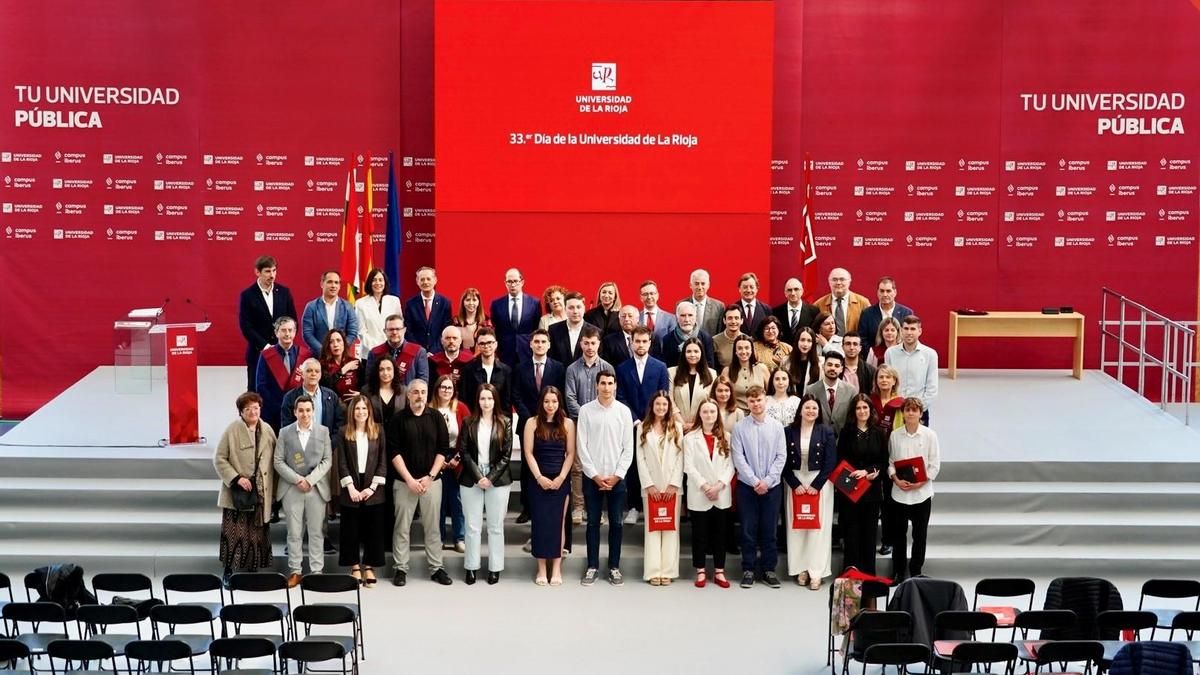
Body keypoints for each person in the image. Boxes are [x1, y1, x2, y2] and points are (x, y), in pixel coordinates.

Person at [386, 379, 453, 586]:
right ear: (408, 395)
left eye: (423, 392)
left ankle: (436, 568)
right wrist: (409, 479)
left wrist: (430, 476)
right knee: (402, 527)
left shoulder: (436, 418)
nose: (419, 396)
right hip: (404, 483)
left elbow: (443, 450)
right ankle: (400, 568)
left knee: (433, 527)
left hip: (431, 481)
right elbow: (394, 452)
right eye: (415, 392)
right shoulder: (398, 420)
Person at [576, 371, 634, 587]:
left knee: (617, 523)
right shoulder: (586, 411)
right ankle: (592, 566)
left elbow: (628, 448)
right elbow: (582, 446)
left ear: (616, 386)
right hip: (593, 478)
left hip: (617, 478)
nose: (607, 387)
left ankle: (614, 566)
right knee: (592, 523)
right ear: (596, 385)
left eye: (610, 383)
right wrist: (595, 475)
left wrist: (618, 475)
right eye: (603, 383)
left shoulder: (624, 412)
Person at [214, 392, 277, 586]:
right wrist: (236, 478)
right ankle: (229, 570)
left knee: (256, 533)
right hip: (238, 492)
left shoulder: (267, 430)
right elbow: (219, 458)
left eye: (256, 408)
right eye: (248, 409)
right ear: (241, 412)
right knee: (234, 533)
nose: (253, 412)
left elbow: (276, 460)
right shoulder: (232, 430)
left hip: (260, 492)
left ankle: (253, 569)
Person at [274, 395, 333, 587]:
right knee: (294, 533)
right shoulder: (284, 432)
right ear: (295, 412)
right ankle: (295, 571)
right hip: (292, 488)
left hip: (316, 488)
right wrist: (298, 479)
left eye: (308, 410)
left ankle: (316, 571)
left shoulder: (323, 432)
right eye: (301, 410)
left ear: (313, 411)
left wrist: (310, 480)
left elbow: (327, 461)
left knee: (316, 532)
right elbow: (278, 461)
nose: (305, 414)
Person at [458, 384, 514, 585]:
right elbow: (463, 451)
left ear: (495, 400)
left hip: (497, 479)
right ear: (478, 401)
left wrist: (490, 477)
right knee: (472, 526)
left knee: (495, 526)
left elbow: (506, 454)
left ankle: (495, 568)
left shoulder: (505, 422)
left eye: (490, 398)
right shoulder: (469, 422)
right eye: (482, 398)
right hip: (471, 477)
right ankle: (471, 567)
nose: (486, 402)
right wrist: (478, 476)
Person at [731, 386, 786, 588]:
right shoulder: (739, 428)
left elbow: (781, 457)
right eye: (752, 401)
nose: (756, 404)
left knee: (769, 529)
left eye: (759, 400)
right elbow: (738, 458)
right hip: (748, 487)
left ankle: (769, 570)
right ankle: (748, 569)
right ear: (748, 403)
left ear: (766, 401)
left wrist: (768, 481)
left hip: (772, 487)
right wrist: (755, 481)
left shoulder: (777, 427)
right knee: (748, 529)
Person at [615, 326, 670, 524]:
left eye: (644, 341)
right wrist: (636, 420)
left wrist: (651, 419)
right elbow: (620, 397)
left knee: (654, 464)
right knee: (633, 467)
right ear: (631, 343)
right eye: (636, 341)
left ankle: (650, 505)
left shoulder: (660, 367)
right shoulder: (621, 368)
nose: (640, 345)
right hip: (631, 424)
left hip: (655, 423)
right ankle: (633, 507)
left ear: (650, 342)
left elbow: (663, 395)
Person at [523, 386, 576, 586]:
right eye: (547, 401)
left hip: (560, 480)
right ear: (541, 403)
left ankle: (556, 568)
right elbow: (528, 452)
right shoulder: (532, 423)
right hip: (538, 480)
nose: (550, 405)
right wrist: (539, 477)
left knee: (558, 525)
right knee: (540, 524)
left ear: (559, 402)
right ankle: (541, 568)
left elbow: (571, 453)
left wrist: (562, 477)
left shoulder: (569, 424)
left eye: (554, 401)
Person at [783, 395, 837, 590]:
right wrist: (794, 482)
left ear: (819, 411)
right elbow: (783, 460)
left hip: (819, 483)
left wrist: (817, 484)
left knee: (818, 529)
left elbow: (831, 461)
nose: (811, 411)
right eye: (807, 408)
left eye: (814, 408)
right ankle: (801, 569)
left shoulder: (826, 431)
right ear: (800, 410)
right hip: (795, 482)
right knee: (797, 527)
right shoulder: (788, 431)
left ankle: (817, 571)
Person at [334, 394, 387, 586]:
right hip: (352, 487)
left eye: (364, 408)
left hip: (373, 486)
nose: (361, 412)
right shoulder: (343, 432)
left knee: (374, 528)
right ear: (352, 412)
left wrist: (372, 488)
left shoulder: (379, 431)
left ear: (369, 411)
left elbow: (382, 462)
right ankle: (355, 566)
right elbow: (341, 463)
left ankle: (370, 566)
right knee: (351, 529)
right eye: (357, 408)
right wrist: (351, 488)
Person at [512, 329, 565, 523]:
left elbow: (559, 396)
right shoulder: (520, 368)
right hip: (527, 424)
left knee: (549, 463)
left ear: (549, 345)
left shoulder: (558, 368)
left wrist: (546, 417)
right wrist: (532, 420)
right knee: (528, 468)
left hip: (552, 425)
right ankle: (527, 508)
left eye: (543, 341)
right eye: (537, 341)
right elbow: (516, 395)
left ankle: (550, 501)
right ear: (531, 344)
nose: (540, 344)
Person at [563, 326, 614, 525]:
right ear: (581, 344)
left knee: (599, 464)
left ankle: (596, 510)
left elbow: (610, 396)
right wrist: (587, 416)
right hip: (577, 424)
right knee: (577, 466)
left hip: (603, 424)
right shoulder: (572, 369)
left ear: (599, 344)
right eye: (586, 343)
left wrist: (597, 416)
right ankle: (578, 507)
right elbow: (569, 398)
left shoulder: (608, 368)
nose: (590, 347)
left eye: (593, 343)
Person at [683, 399, 735, 588]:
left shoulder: (727, 437)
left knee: (720, 533)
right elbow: (688, 465)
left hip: (721, 492)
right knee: (700, 533)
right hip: (700, 492)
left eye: (713, 412)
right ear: (700, 414)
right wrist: (705, 486)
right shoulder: (690, 438)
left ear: (717, 414)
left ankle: (719, 571)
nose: (709, 415)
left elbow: (731, 465)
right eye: (705, 412)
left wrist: (719, 485)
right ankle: (701, 570)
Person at [888, 397, 941, 583]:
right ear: (903, 413)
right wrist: (895, 478)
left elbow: (934, 465)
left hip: (922, 494)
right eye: (907, 410)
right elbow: (891, 463)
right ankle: (899, 571)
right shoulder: (895, 435)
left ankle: (916, 570)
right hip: (899, 493)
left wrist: (921, 483)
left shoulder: (930, 436)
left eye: (914, 410)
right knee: (898, 535)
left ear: (920, 413)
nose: (910, 413)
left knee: (920, 535)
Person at [633, 392, 684, 585]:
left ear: (669, 407)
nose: (661, 408)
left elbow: (681, 457)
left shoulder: (677, 427)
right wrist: (649, 485)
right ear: (652, 406)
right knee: (652, 529)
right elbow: (640, 458)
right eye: (658, 404)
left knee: (671, 529)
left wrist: (674, 483)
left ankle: (668, 571)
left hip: (672, 487)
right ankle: (654, 571)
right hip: (652, 487)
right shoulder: (642, 428)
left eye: (665, 404)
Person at [837, 393, 887, 575]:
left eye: (865, 407)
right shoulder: (846, 432)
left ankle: (868, 577)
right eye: (858, 408)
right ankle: (851, 577)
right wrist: (852, 473)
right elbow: (839, 458)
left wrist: (868, 472)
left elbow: (883, 461)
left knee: (869, 535)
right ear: (853, 411)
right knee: (852, 535)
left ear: (870, 410)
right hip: (850, 491)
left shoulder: (879, 432)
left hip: (871, 492)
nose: (862, 411)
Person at [238, 255, 297, 390]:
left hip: (283, 352)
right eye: (267, 271)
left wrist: (285, 342)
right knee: (256, 392)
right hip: (258, 353)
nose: (272, 275)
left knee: (283, 391)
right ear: (257, 272)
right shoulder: (247, 295)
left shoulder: (284, 292)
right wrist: (266, 347)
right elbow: (246, 326)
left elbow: (293, 320)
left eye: (274, 270)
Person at [429, 375, 470, 555]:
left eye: (450, 388)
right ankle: (437, 538)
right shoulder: (429, 409)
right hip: (434, 458)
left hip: (456, 458)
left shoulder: (461, 408)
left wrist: (457, 458)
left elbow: (469, 437)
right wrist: (439, 461)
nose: (446, 391)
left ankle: (459, 538)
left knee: (457, 501)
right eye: (443, 387)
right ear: (437, 389)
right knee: (437, 501)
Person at [871, 364, 904, 558]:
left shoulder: (901, 403)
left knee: (890, 504)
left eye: (887, 377)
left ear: (894, 381)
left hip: (893, 456)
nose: (883, 380)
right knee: (874, 500)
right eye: (880, 377)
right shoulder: (870, 400)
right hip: (873, 456)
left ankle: (888, 540)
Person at [255, 317, 310, 432]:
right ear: (276, 333)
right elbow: (261, 386)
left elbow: (310, 382)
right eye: (283, 330)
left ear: (295, 332)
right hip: (273, 412)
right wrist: (279, 406)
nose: (287, 334)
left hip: (299, 410)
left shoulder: (305, 355)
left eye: (290, 330)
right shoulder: (266, 355)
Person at [885, 315, 938, 425]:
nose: (909, 332)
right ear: (901, 330)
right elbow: (888, 383)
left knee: (919, 441)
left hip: (918, 410)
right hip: (895, 409)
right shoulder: (890, 353)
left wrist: (918, 408)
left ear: (920, 331)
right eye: (906, 328)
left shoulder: (930, 354)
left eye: (913, 329)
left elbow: (932, 387)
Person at [491, 268, 541, 367]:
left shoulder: (534, 303)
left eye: (515, 281)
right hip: (505, 352)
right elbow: (496, 327)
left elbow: (536, 328)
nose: (513, 285)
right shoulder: (496, 304)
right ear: (505, 283)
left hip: (527, 351)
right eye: (509, 281)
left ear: (522, 282)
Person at [301, 270, 360, 354]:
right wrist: (323, 351)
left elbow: (353, 332)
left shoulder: (348, 307)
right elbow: (307, 334)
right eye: (330, 282)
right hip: (318, 356)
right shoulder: (311, 307)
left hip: (341, 357)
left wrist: (340, 349)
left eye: (336, 282)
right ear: (322, 284)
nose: (333, 285)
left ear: (339, 286)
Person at [459, 327, 513, 414]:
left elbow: (507, 402)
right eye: (482, 343)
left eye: (489, 342)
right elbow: (464, 399)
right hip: (475, 419)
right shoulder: (468, 370)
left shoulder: (506, 371)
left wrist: (505, 425)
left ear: (496, 344)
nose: (486, 346)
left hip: (499, 420)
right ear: (478, 346)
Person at [281, 358, 344, 433]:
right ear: (302, 374)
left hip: (325, 443)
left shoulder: (331, 396)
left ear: (320, 375)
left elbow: (339, 424)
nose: (313, 374)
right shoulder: (290, 397)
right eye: (309, 371)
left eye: (317, 371)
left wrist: (330, 442)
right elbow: (286, 426)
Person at [668, 337, 718, 432]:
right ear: (684, 353)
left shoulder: (712, 374)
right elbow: (670, 400)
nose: (692, 355)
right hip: (676, 426)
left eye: (696, 351)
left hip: (701, 427)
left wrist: (695, 425)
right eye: (689, 351)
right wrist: (682, 424)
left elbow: (711, 402)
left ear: (701, 353)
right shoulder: (672, 372)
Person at [402, 266, 453, 354]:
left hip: (439, 353)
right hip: (417, 354)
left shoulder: (445, 303)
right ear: (417, 282)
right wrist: (421, 351)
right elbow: (408, 331)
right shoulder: (410, 304)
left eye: (428, 279)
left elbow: (446, 330)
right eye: (422, 279)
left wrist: (434, 350)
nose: (425, 282)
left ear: (435, 280)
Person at [366, 314, 429, 385]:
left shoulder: (419, 352)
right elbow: (370, 382)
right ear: (385, 331)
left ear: (404, 330)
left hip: (408, 395)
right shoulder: (374, 353)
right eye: (391, 329)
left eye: (398, 329)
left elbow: (422, 383)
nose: (394, 332)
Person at [805, 350, 854, 433]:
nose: (833, 368)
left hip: (844, 441)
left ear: (841, 369)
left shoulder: (851, 391)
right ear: (823, 366)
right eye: (829, 365)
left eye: (837, 366)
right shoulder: (811, 390)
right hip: (819, 440)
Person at [857, 276, 913, 348]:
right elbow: (862, 339)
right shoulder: (867, 313)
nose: (885, 294)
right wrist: (873, 354)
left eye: (888, 291)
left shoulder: (906, 313)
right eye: (882, 291)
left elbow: (910, 337)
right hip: (874, 357)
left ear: (895, 292)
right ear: (878, 292)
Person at [355, 268, 402, 353]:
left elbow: (399, 327)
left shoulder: (394, 301)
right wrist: (378, 348)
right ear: (370, 283)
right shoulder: (360, 303)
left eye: (381, 280)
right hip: (370, 352)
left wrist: (390, 346)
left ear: (385, 282)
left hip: (392, 350)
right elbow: (361, 331)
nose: (378, 283)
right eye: (374, 280)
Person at [720, 335, 771, 413]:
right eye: (740, 348)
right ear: (735, 351)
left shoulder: (762, 368)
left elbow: (771, 393)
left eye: (747, 348)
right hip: (736, 414)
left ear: (751, 350)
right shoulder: (727, 371)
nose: (744, 352)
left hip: (759, 413)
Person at [815, 267, 871, 338]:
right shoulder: (818, 305)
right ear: (829, 282)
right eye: (834, 279)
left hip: (854, 347)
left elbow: (869, 330)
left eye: (842, 279)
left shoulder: (863, 303)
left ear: (849, 281)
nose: (838, 283)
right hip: (827, 347)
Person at [660, 301, 716, 369]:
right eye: (683, 315)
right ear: (677, 318)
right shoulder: (667, 339)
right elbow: (667, 367)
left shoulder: (705, 338)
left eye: (690, 315)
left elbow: (710, 366)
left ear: (695, 317)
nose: (687, 319)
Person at [547, 293, 595, 372]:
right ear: (565, 309)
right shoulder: (553, 330)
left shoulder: (596, 332)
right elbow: (550, 358)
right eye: (571, 308)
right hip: (560, 378)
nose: (575, 311)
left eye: (578, 307)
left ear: (584, 308)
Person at [772, 277, 819, 346]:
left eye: (796, 289)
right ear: (785, 292)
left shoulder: (814, 311)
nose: (793, 293)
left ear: (802, 291)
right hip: (783, 353)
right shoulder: (776, 312)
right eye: (789, 290)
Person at [679, 268, 726, 337]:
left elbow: (720, 332)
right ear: (690, 285)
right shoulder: (681, 305)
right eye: (696, 284)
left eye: (703, 284)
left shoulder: (719, 307)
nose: (700, 287)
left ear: (708, 285)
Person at [319, 329, 361, 402]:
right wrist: (344, 369)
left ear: (344, 343)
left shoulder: (355, 362)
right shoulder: (323, 365)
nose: (335, 344)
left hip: (354, 404)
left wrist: (361, 394)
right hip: (333, 404)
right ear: (328, 346)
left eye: (338, 340)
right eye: (331, 342)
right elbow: (326, 385)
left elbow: (364, 384)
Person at [363, 356, 405, 427]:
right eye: (381, 369)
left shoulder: (404, 391)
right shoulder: (366, 391)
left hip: (398, 435)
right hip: (374, 434)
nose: (385, 373)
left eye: (389, 369)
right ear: (377, 372)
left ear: (394, 371)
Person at [784, 326, 823, 393]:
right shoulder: (786, 361)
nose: (805, 344)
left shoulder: (821, 362)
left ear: (813, 344)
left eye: (809, 341)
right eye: (802, 340)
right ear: (797, 341)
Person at [453, 287, 491, 351]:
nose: (471, 303)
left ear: (479, 302)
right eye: (468, 300)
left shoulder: (486, 321)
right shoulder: (455, 321)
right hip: (459, 359)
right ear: (463, 302)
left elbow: (491, 342)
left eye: (474, 300)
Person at [734, 272, 772, 336]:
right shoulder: (733, 309)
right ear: (739, 289)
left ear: (757, 289)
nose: (748, 290)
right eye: (745, 287)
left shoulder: (766, 309)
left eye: (751, 287)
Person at [712, 305, 746, 370]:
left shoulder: (748, 340)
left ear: (741, 321)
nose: (733, 322)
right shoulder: (715, 341)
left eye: (736, 318)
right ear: (724, 321)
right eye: (730, 318)